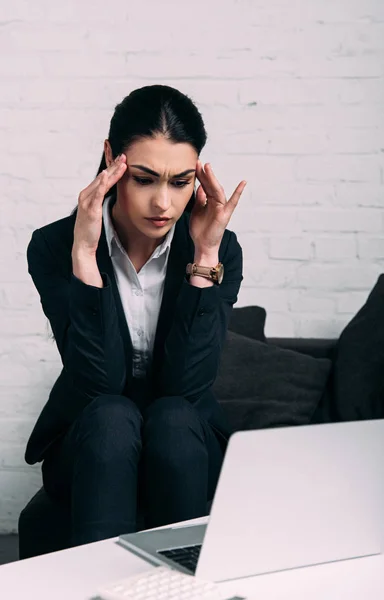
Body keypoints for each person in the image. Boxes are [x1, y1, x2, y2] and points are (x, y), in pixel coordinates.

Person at [24, 84, 246, 548]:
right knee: (111, 414)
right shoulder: (52, 247)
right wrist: (85, 254)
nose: (163, 203)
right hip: (91, 439)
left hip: (185, 438)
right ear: (112, 160)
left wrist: (205, 254)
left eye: (181, 181)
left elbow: (188, 386)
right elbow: (99, 380)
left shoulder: (219, 248)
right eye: (144, 179)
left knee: (171, 417)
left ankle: (185, 587)